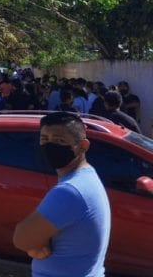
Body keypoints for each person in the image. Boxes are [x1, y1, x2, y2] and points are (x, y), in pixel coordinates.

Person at [14, 112, 111, 277]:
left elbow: (21, 238)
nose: (50, 146)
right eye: (45, 139)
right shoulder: (87, 176)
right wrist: (39, 242)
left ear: (83, 146)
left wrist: (35, 244)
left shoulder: (70, 191)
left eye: (60, 140)